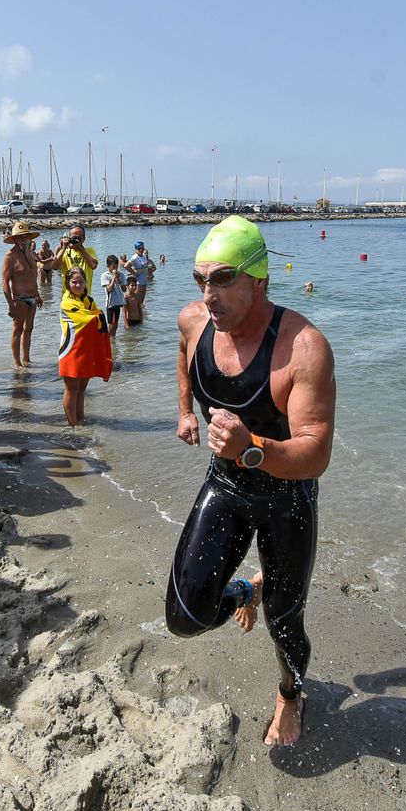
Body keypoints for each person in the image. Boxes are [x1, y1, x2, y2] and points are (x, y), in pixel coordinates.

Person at [165, 216, 336, 747]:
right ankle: (247, 588)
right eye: (200, 279)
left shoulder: (303, 348)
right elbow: (183, 354)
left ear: (258, 279)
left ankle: (290, 695)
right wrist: (185, 411)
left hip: (287, 496)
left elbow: (316, 453)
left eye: (222, 278)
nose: (208, 294)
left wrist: (251, 448)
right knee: (185, 617)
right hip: (227, 486)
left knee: (285, 623)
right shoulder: (194, 321)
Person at [57, 267, 112, 426]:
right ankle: (72, 425)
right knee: (71, 390)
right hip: (71, 351)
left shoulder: (89, 301)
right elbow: (88, 319)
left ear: (85, 283)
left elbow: (96, 316)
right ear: (67, 283)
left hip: (86, 350)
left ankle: (81, 421)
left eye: (81, 282)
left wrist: (98, 315)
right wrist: (98, 315)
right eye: (74, 282)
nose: (78, 285)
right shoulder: (67, 303)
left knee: (81, 390)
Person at [0, 221, 44, 368]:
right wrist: (10, 305)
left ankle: (26, 360)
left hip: (33, 298)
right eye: (20, 237)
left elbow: (32, 277)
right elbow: (5, 282)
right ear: (14, 239)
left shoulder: (30, 253)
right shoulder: (10, 256)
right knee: (17, 329)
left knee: (29, 329)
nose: (24, 239)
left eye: (26, 236)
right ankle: (17, 363)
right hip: (19, 299)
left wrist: (38, 295)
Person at [54, 224, 98, 293]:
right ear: (69, 238)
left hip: (84, 294)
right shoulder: (65, 251)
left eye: (78, 238)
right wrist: (63, 248)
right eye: (73, 238)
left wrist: (80, 249)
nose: (76, 240)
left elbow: (93, 265)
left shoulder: (89, 251)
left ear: (84, 238)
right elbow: (54, 267)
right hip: (68, 294)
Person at [100, 254, 125, 338]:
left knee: (116, 323)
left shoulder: (121, 275)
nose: (115, 269)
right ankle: (109, 339)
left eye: (116, 267)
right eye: (113, 267)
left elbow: (124, 289)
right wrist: (113, 278)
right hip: (110, 303)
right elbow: (109, 289)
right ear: (108, 266)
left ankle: (113, 339)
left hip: (118, 301)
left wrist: (118, 279)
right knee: (111, 323)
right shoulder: (105, 275)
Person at [127, 240, 156, 306]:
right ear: (136, 249)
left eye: (142, 248)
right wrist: (134, 273)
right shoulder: (135, 257)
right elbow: (126, 266)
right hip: (138, 282)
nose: (141, 250)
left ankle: (142, 312)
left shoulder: (144, 256)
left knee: (141, 302)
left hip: (144, 281)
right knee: (136, 301)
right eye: (139, 248)